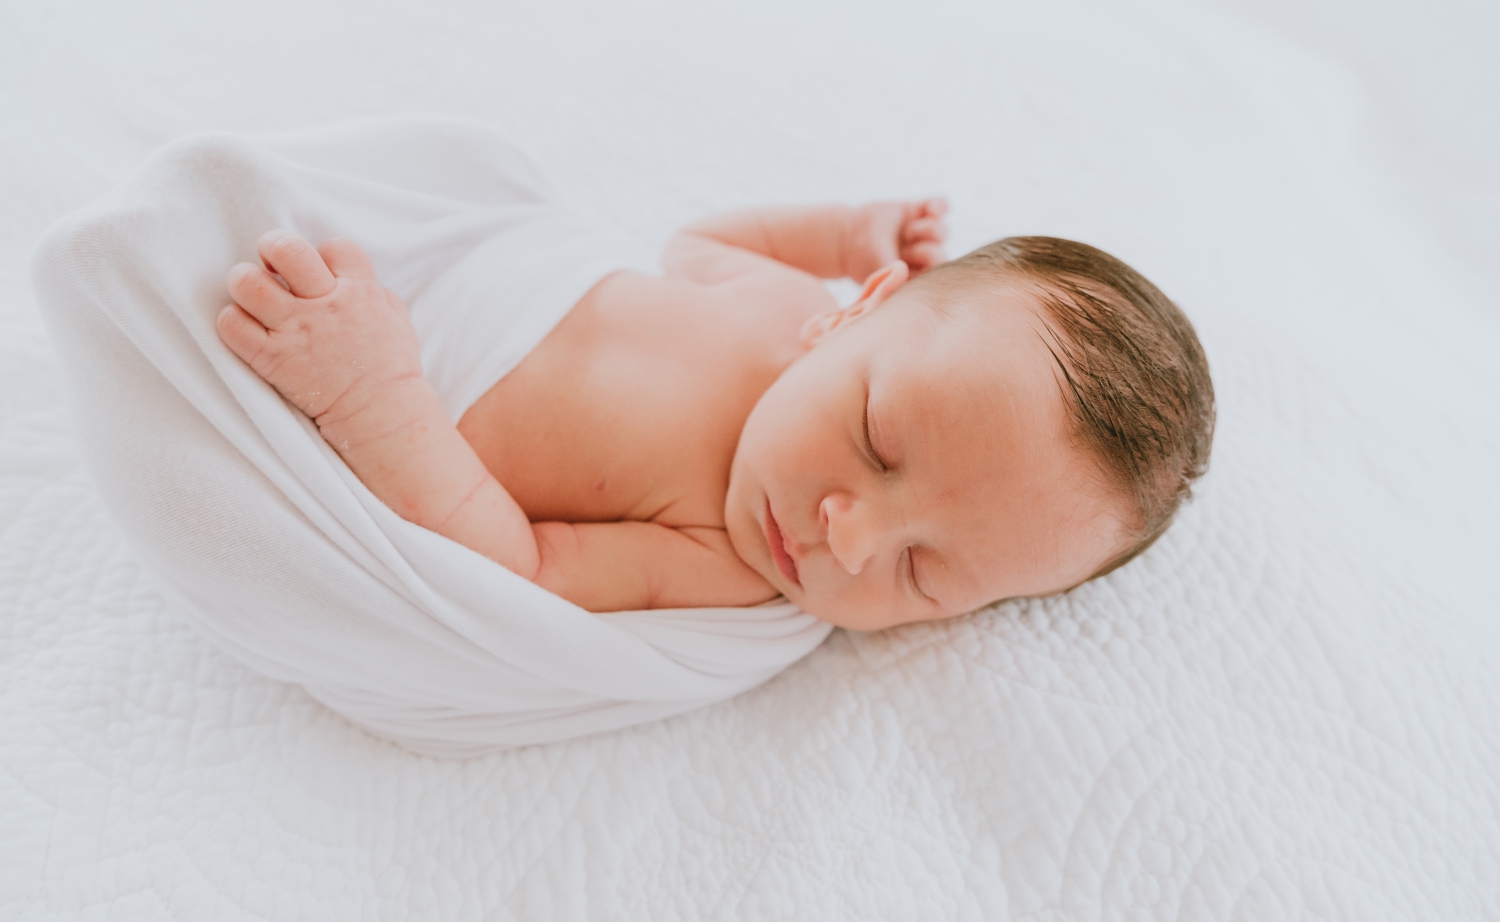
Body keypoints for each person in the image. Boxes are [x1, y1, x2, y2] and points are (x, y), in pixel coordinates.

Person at [215, 200, 1213, 630]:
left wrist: (371, 392)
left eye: (924, 574)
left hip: (399, 398)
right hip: (455, 276)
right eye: (878, 441)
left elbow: (523, 567)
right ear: (860, 305)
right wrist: (837, 228)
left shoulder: (729, 561)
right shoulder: (787, 306)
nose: (847, 539)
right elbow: (694, 241)